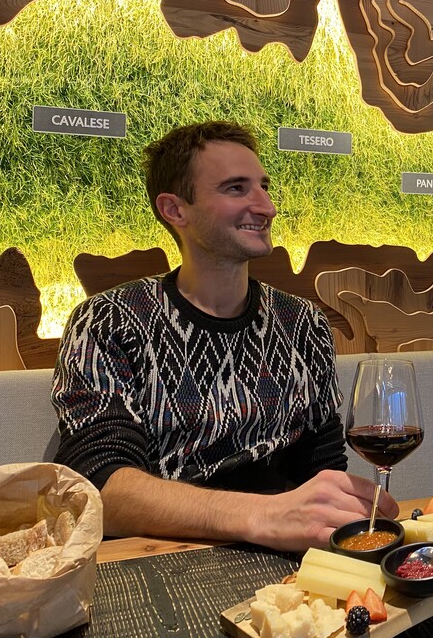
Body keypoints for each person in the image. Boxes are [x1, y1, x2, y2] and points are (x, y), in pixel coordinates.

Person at [52, 121, 397, 551]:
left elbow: (320, 467)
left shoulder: (303, 323)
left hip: (288, 558)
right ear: (175, 210)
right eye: (236, 188)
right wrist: (263, 515)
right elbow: (99, 487)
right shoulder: (109, 321)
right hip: (161, 556)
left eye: (264, 187)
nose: (267, 207)